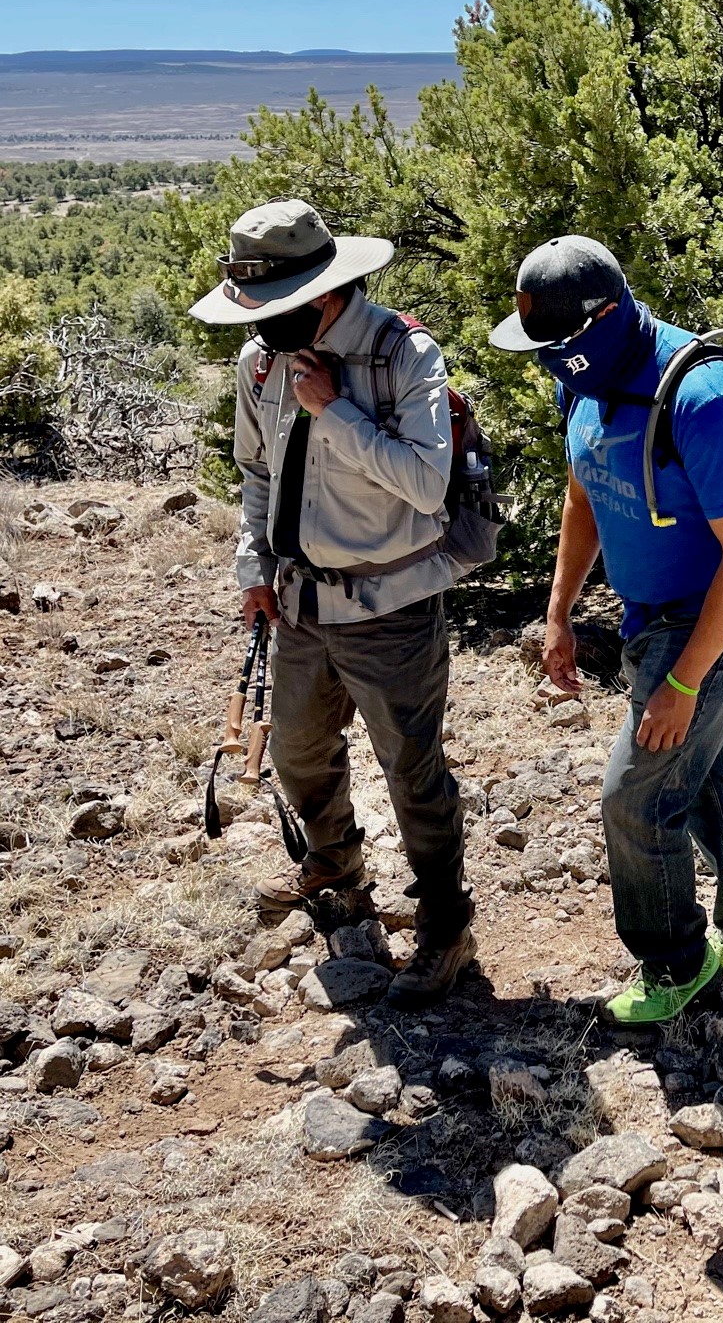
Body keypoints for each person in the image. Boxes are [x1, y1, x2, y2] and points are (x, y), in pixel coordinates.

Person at [490, 235, 723, 1024]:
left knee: (635, 796)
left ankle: (673, 964)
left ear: (612, 313)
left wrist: (684, 682)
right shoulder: (585, 383)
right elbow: (583, 498)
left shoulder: (705, 396)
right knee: (706, 780)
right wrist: (557, 614)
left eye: (564, 344)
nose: (553, 361)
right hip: (648, 616)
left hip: (720, 618)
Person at [191, 198, 475, 1008]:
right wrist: (253, 565)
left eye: (271, 308)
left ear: (322, 291)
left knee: (412, 772)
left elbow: (427, 484)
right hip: (299, 603)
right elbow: (256, 476)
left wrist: (335, 411)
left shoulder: (404, 354)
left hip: (392, 607)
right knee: (299, 753)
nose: (257, 326)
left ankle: (446, 927)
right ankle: (341, 885)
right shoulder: (259, 362)